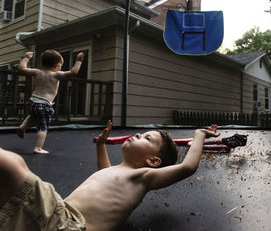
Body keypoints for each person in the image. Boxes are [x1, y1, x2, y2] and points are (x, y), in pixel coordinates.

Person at [0, 121, 219, 230]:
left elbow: (188, 167)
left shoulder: (143, 176)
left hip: (71, 224)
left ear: (153, 162)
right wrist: (101, 146)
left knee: (14, 165)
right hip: (55, 218)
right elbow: (104, 172)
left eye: (146, 138)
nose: (137, 134)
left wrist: (199, 135)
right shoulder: (118, 171)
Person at [16, 50, 85, 154]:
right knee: (43, 127)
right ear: (57, 65)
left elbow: (22, 68)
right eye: (61, 65)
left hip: (33, 101)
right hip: (44, 104)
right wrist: (79, 61)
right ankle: (38, 148)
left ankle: (23, 127)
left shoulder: (38, 72)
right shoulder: (56, 75)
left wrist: (26, 57)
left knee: (33, 115)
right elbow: (73, 73)